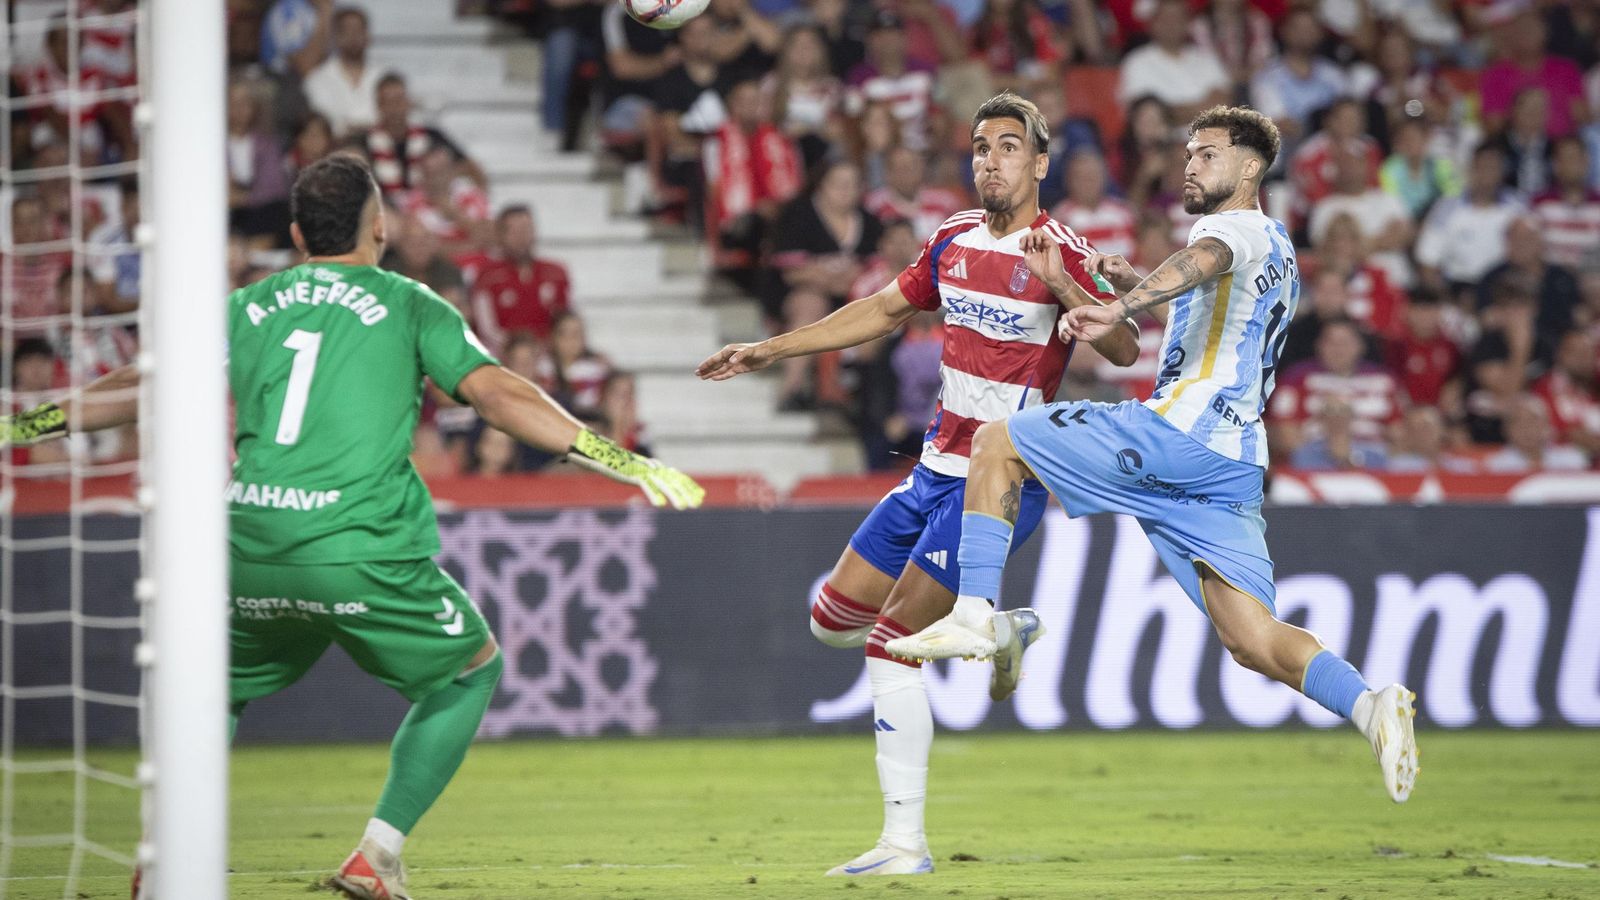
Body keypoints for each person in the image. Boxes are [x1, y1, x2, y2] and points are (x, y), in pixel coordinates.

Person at [0, 154, 704, 900]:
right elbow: (496, 393)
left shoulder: (244, 307)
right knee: (471, 670)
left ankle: (161, 861)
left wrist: (20, 426)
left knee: (211, 693)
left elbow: (137, 386)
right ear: (381, 225)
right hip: (361, 551)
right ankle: (377, 855)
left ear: (299, 234)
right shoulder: (409, 303)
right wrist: (610, 454)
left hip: (251, 548)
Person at [889, 106, 1421, 808]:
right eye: (1188, 153)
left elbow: (1200, 261)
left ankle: (976, 611)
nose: (1190, 165)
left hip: (1179, 435)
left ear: (1250, 168)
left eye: (1207, 155)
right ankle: (1370, 705)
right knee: (1252, 639)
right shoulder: (1282, 249)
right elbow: (1209, 311)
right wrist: (1106, 285)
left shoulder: (1230, 229)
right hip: (1231, 463)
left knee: (999, 439)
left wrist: (1121, 304)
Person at [698, 92, 1139, 876]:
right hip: (933, 468)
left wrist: (1068, 292)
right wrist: (772, 349)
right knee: (830, 621)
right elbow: (879, 309)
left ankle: (906, 844)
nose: (990, 160)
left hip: (1001, 480)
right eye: (979, 146)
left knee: (888, 646)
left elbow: (1127, 348)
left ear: (1040, 163)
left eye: (1008, 146)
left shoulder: (1064, 249)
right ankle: (1004, 630)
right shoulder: (952, 237)